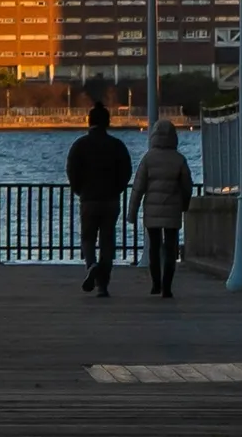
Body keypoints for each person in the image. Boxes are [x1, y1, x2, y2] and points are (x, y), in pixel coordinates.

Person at [65, 103, 132, 296]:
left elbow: (72, 171)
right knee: (107, 241)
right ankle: (103, 285)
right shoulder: (117, 145)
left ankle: (91, 264)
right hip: (110, 199)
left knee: (87, 237)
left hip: (89, 199)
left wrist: (79, 190)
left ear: (89, 121)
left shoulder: (80, 145)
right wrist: (117, 189)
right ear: (108, 122)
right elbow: (126, 171)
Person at [129, 118, 196, 298]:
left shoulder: (148, 159)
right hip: (172, 210)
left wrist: (132, 212)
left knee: (154, 247)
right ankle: (167, 286)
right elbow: (187, 186)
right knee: (170, 248)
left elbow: (138, 187)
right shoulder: (179, 159)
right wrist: (184, 204)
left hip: (152, 210)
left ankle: (155, 284)